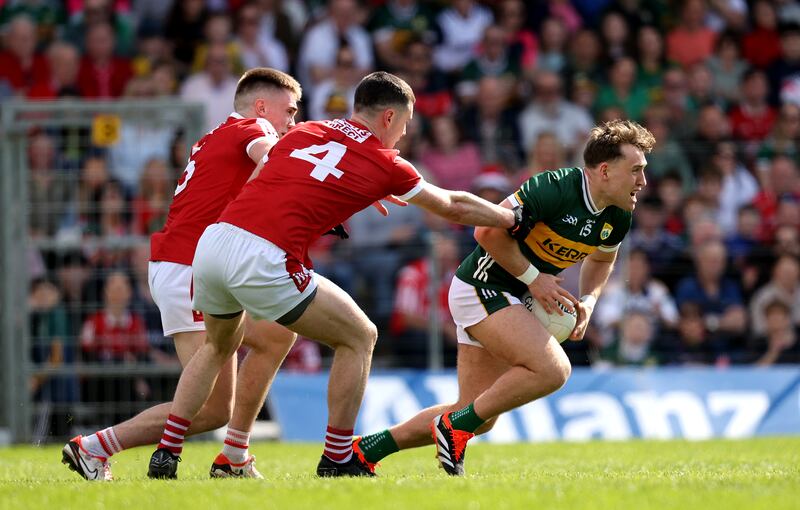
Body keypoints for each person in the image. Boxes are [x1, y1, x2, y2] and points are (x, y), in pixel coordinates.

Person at [147, 71, 522, 479]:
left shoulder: (306, 129)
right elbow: (453, 205)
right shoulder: (384, 160)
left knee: (219, 348)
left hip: (215, 243)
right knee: (360, 336)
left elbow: (269, 175)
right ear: (389, 117)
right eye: (406, 124)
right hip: (264, 257)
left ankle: (167, 453)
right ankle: (338, 456)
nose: (404, 134)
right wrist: (511, 216)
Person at [353, 119, 654, 476]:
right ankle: (452, 429)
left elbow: (602, 259)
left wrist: (589, 299)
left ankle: (366, 450)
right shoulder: (553, 189)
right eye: (635, 170)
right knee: (553, 370)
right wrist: (534, 279)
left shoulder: (618, 214)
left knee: (476, 416)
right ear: (604, 170)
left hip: (514, 296)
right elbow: (486, 232)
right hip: (483, 287)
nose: (643, 181)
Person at [62, 68, 302, 481]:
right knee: (211, 410)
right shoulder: (252, 127)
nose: (292, 123)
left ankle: (236, 455)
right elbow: (270, 154)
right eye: (290, 112)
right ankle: (94, 447)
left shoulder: (215, 135)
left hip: (198, 266)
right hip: (190, 270)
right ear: (263, 106)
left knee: (279, 334)